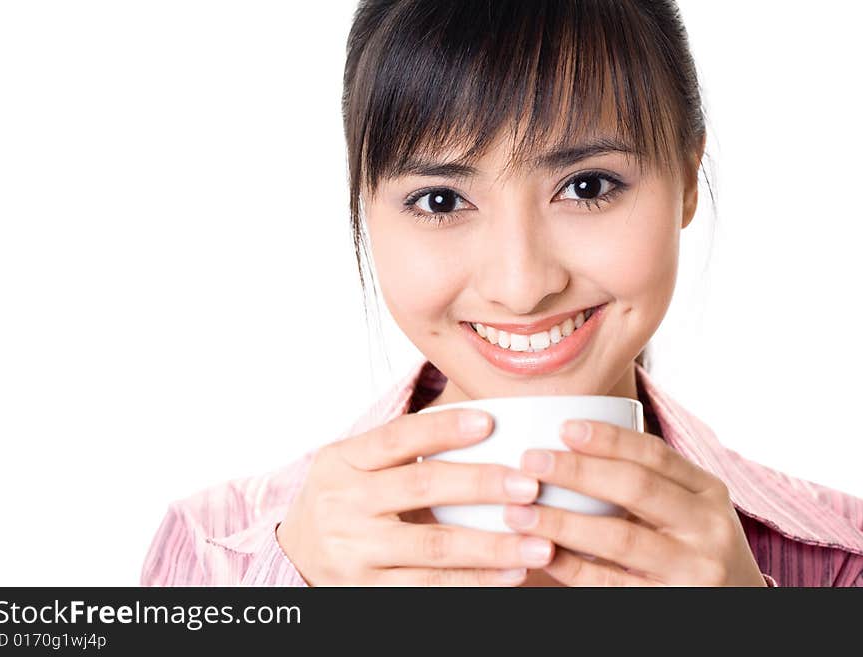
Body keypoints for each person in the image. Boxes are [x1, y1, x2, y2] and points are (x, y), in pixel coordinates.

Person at [141, 0, 863, 587]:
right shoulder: (216, 561)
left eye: (587, 186)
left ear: (685, 180)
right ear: (364, 204)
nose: (521, 286)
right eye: (441, 200)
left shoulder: (841, 564)